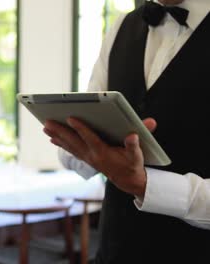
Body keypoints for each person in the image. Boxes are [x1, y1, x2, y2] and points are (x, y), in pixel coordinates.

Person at [43, 0, 210, 263]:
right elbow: (79, 151)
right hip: (114, 251)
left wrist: (145, 185)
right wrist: (78, 144)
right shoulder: (122, 26)